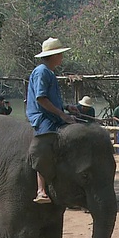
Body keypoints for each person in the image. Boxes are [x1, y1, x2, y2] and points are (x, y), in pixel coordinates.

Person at [26, 37, 78, 204]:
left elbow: (51, 99)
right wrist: (62, 115)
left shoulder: (49, 72)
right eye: (60, 54)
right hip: (43, 118)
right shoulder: (42, 71)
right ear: (54, 55)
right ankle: (41, 190)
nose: (62, 57)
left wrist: (67, 108)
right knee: (45, 148)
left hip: (53, 115)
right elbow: (41, 99)